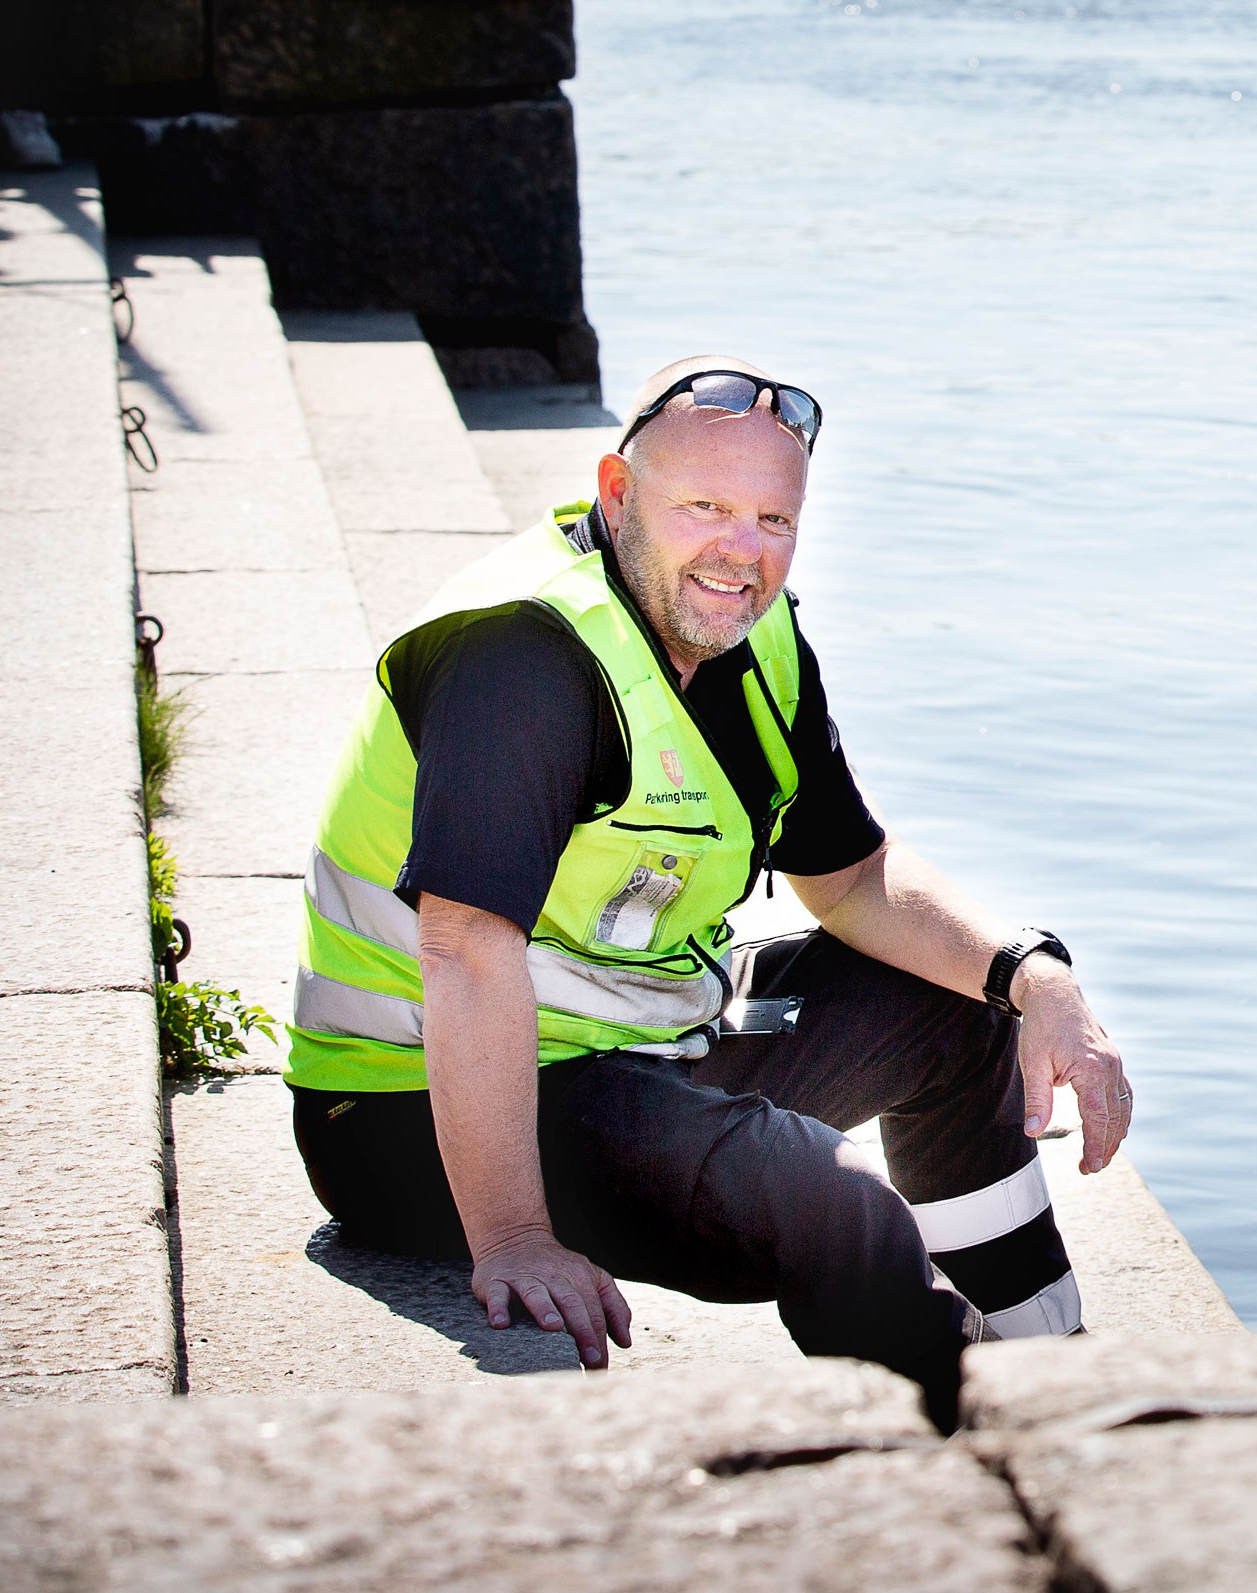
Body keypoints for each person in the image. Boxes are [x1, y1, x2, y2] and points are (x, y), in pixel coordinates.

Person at [282, 356, 1133, 1427]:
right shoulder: (523, 655)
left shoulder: (750, 631)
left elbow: (855, 877)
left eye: (775, 518)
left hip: (632, 1053)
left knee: (963, 1009)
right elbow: (465, 949)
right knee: (829, 1198)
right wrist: (512, 1237)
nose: (744, 551)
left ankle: (1055, 1377)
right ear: (617, 492)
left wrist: (1032, 974)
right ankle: (976, 1456)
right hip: (406, 1116)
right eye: (707, 508)